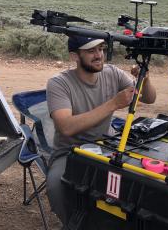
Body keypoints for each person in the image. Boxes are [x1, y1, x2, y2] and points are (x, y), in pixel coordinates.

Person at [46, 35, 156, 225]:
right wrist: (113, 103)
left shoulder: (112, 73)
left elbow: (149, 99)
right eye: (90, 51)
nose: (98, 55)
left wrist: (144, 80)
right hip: (70, 152)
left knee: (139, 180)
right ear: (74, 56)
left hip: (107, 145)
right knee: (56, 186)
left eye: (101, 49)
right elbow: (66, 127)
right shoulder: (59, 84)